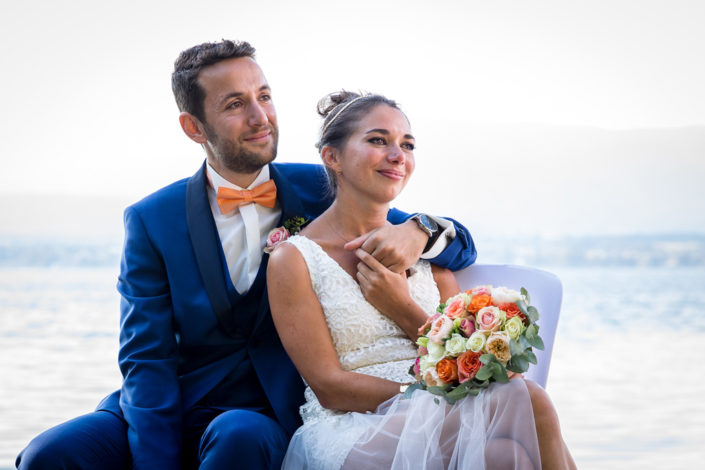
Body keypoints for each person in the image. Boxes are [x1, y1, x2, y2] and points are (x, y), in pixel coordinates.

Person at [15, 41, 477, 469]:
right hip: (173, 400)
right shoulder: (152, 219)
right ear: (194, 127)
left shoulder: (326, 189)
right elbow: (146, 358)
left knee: (238, 436)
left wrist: (420, 228)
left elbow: (460, 243)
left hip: (265, 410)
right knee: (48, 454)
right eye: (235, 104)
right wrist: (154, 457)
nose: (261, 117)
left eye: (265, 96)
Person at [267, 91, 576, 469]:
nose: (398, 156)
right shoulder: (295, 258)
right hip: (350, 430)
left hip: (439, 412)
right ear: (333, 157)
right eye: (378, 140)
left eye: (407, 145)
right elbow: (329, 387)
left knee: (502, 454)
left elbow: (472, 363)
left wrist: (402, 308)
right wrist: (423, 399)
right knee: (529, 399)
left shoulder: (429, 255)